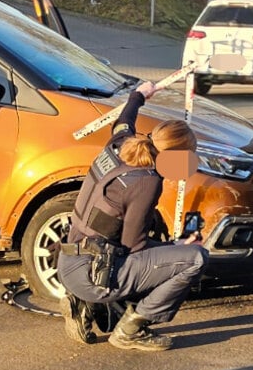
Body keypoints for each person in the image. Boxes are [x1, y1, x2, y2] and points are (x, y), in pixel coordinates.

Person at [57, 81, 209, 352]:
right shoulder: (146, 182)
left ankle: (83, 304)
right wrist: (177, 247)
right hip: (93, 276)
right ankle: (130, 329)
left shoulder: (121, 143)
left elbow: (124, 119)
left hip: (69, 260)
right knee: (195, 259)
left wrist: (139, 95)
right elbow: (133, 246)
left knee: (140, 249)